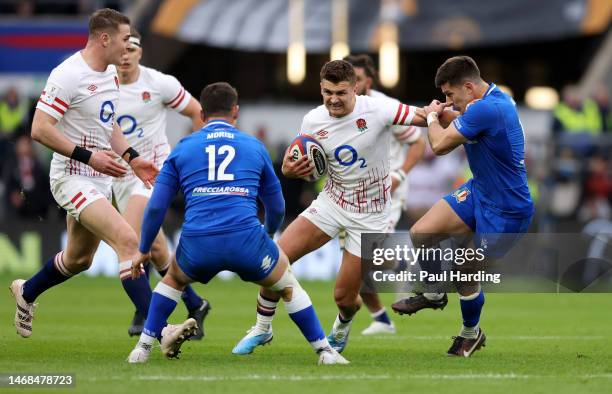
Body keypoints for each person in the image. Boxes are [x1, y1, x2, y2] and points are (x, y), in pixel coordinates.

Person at [126, 82, 347, 365]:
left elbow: (156, 205)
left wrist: (144, 248)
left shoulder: (183, 148)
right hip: (246, 240)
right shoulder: (253, 145)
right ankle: (324, 352)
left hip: (197, 241)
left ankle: (142, 350)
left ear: (202, 114)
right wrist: (266, 236)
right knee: (287, 284)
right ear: (236, 112)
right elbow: (276, 204)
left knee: (173, 280)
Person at [233, 60, 425, 355]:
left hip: (370, 215)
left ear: (356, 89)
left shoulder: (379, 110)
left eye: (340, 92)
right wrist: (289, 167)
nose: (333, 99)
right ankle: (262, 328)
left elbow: (422, 118)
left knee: (344, 297)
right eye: (327, 92)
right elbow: (304, 163)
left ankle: (342, 325)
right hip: (332, 203)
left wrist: (445, 111)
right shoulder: (313, 120)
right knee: (274, 260)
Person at [9, 8, 159, 339]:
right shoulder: (68, 75)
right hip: (71, 176)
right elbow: (39, 129)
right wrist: (89, 157)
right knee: (129, 242)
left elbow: (110, 125)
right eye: (124, 39)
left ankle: (27, 292)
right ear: (104, 38)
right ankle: (159, 330)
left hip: (99, 178)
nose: (128, 46)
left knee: (79, 259)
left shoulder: (111, 73)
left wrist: (133, 157)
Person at [392, 56, 534, 357]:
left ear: (468, 87)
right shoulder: (487, 101)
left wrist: (431, 118)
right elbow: (456, 124)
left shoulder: (488, 108)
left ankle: (471, 333)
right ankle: (433, 292)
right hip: (480, 190)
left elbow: (441, 145)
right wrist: (438, 114)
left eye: (450, 94)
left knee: (464, 268)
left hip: (507, 209)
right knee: (421, 232)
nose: (448, 100)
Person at [115, 28, 209, 339]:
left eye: (133, 49)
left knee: (127, 239)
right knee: (154, 247)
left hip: (154, 173)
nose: (126, 55)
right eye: (122, 49)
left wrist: (192, 152)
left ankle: (146, 309)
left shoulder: (158, 83)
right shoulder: (100, 86)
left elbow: (197, 111)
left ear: (141, 52)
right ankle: (195, 304)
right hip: (117, 177)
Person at [344, 54, 425, 335]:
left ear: (369, 80)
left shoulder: (387, 107)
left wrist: (399, 175)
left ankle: (398, 269)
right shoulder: (337, 108)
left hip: (386, 194)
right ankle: (381, 316)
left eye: (357, 78)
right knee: (356, 259)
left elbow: (418, 143)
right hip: (353, 195)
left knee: (364, 252)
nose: (352, 84)